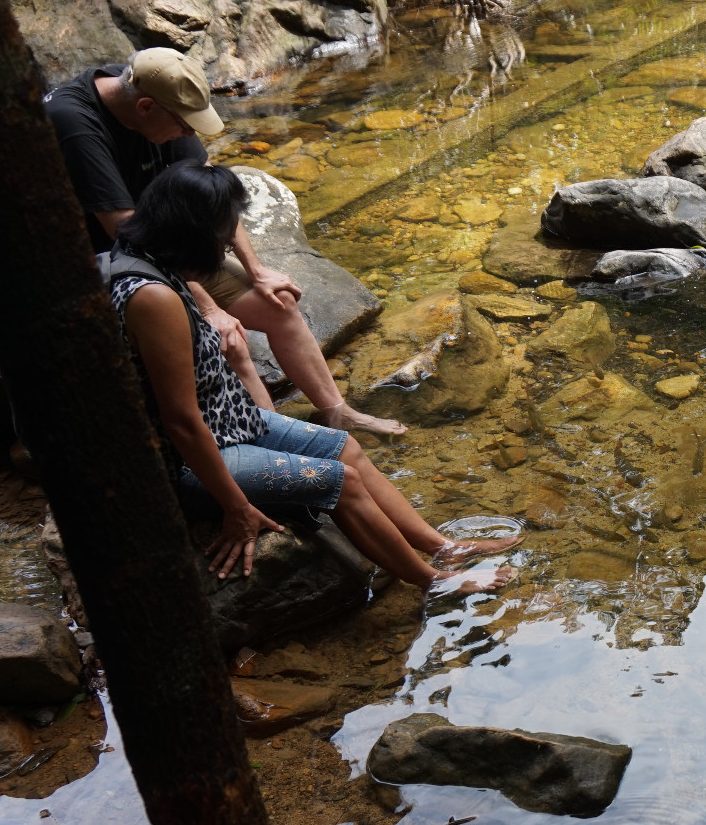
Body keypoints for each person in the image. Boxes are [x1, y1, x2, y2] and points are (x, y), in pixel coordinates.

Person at [106, 163, 512, 591]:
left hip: (227, 423)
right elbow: (180, 421)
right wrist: (236, 506)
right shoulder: (153, 297)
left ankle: (442, 546)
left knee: (346, 449)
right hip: (181, 464)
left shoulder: (150, 257)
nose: (228, 241)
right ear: (192, 231)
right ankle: (435, 580)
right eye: (224, 231)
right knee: (340, 481)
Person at [44, 47, 406, 437]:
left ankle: (336, 412)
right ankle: (285, 447)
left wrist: (258, 270)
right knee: (228, 339)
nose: (189, 134)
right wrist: (207, 306)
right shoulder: (74, 122)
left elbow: (210, 197)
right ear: (146, 107)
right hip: (113, 263)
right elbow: (128, 234)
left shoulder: (149, 85)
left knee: (278, 301)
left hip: (167, 246)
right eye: (185, 125)